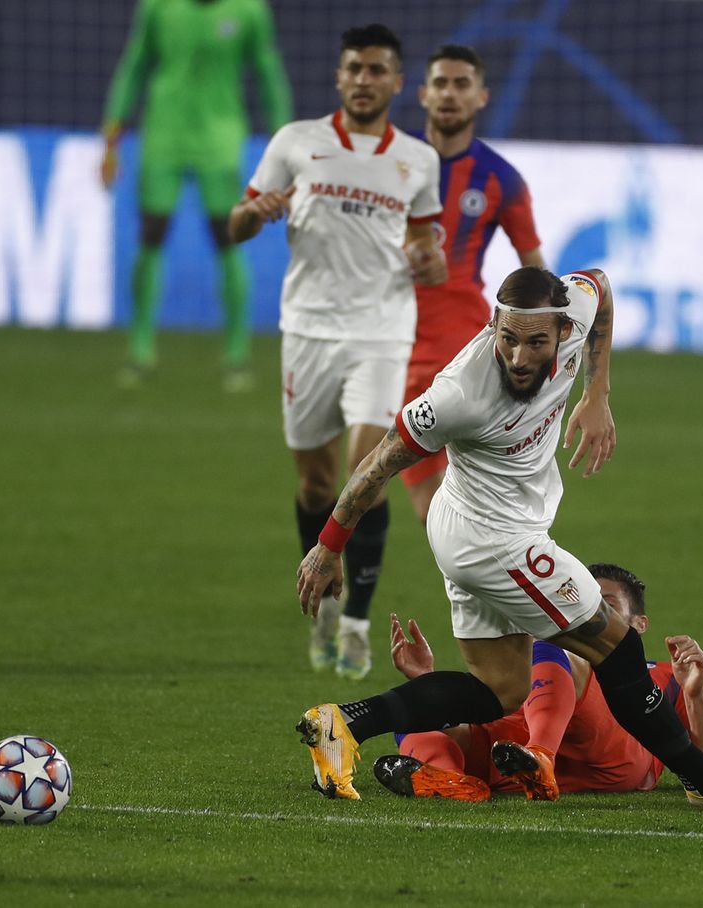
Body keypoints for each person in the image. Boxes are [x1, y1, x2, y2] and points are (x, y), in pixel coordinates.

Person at [292, 266, 703, 807]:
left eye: (534, 342)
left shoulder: (576, 312)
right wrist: (329, 545)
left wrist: (597, 392)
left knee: (500, 690)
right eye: (506, 338)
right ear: (493, 324)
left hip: (483, 526)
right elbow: (379, 462)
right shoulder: (457, 394)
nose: (516, 356)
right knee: (618, 645)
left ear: (562, 331)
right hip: (491, 538)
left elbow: (600, 284)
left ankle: (343, 723)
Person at [230, 24, 447, 679]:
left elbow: (428, 250)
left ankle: (356, 622)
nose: (363, 79)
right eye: (354, 67)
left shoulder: (417, 160)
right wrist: (257, 212)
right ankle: (324, 599)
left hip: (381, 332)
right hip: (307, 331)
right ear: (338, 76)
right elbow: (235, 226)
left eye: (377, 70)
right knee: (315, 483)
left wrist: (429, 260)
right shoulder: (296, 143)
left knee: (366, 471)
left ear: (395, 82)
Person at [370, 562, 703, 801]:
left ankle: (540, 754)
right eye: (588, 605)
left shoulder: (665, 676)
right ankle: (451, 782)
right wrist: (428, 688)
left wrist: (693, 695)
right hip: (518, 751)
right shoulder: (541, 664)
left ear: (639, 624)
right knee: (413, 719)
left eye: (606, 606)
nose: (593, 617)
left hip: (614, 753)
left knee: (550, 646)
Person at [100, 0, 293, 390]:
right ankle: (140, 350)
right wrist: (111, 137)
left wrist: (285, 139)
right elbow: (135, 65)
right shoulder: (157, 7)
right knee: (151, 235)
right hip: (163, 135)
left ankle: (236, 354)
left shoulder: (248, 11)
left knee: (228, 239)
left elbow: (268, 73)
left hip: (219, 140)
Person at [402, 44, 547, 525]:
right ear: (423, 93)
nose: (449, 93)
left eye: (461, 83)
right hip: (387, 340)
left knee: (464, 496)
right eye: (440, 83)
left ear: (481, 96)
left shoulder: (501, 180)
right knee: (409, 491)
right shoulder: (392, 166)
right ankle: (356, 600)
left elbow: (537, 276)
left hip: (459, 343)